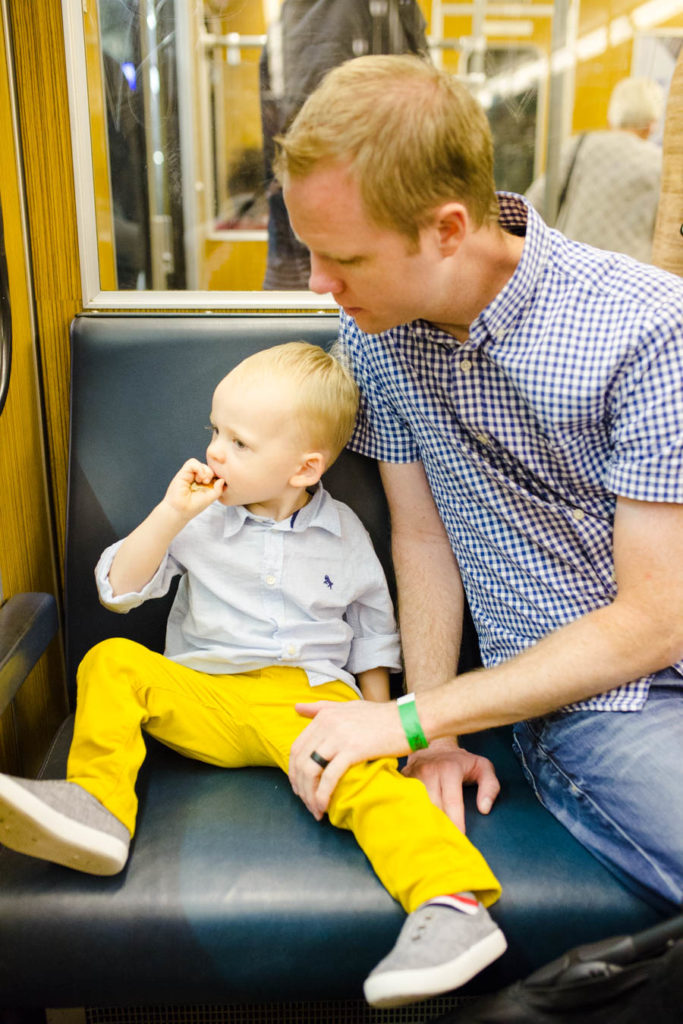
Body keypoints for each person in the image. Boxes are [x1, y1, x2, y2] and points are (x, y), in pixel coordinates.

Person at [276, 55, 683, 912]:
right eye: (309, 251)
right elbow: (423, 539)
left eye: (343, 256)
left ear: (449, 229)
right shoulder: (375, 336)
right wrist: (435, 727)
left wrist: (405, 719)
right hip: (605, 704)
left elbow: (653, 618)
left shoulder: (648, 327)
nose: (318, 284)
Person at [0, 342, 506, 1008]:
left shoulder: (344, 534)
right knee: (111, 659)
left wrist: (390, 733)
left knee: (376, 791)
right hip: (207, 697)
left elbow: (373, 644)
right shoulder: (199, 517)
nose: (214, 451)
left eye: (237, 442)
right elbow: (118, 592)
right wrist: (171, 515)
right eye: (214, 431)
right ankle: (98, 810)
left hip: (309, 705)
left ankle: (452, 907)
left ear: (304, 467)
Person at [259, 0, 429, 288]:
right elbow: (318, 143)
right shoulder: (336, 16)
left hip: (364, 242)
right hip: (349, 242)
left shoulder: (387, 14)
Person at [526, 76, 664, 263]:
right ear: (652, 123)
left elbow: (535, 203)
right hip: (630, 279)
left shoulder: (580, 146)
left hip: (573, 267)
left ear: (612, 115)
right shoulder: (660, 164)